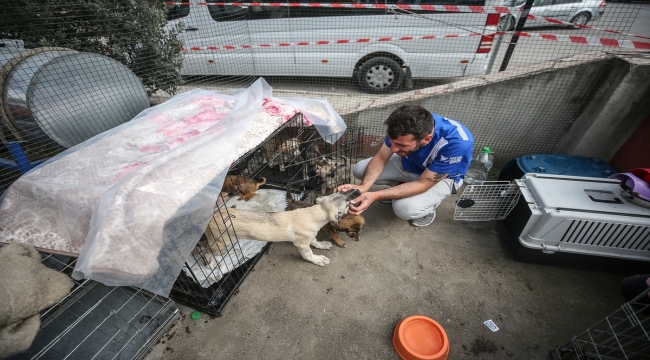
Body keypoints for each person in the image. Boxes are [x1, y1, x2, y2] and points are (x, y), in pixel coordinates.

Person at [335, 105, 474, 227]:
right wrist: (363, 187)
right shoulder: (407, 123)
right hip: (413, 163)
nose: (393, 149)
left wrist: (375, 195)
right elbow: (381, 158)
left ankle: (429, 207)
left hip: (443, 178)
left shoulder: (458, 143)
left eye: (401, 145)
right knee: (360, 169)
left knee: (404, 208)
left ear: (427, 139)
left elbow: (422, 183)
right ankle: (402, 190)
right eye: (391, 141)